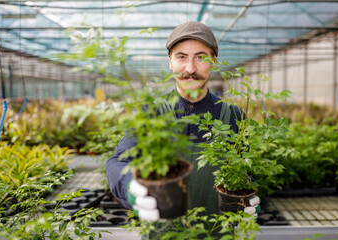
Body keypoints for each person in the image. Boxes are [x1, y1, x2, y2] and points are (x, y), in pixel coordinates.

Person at [105, 21, 260, 222]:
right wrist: (130, 187)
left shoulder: (233, 116)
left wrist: (249, 196)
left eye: (201, 57)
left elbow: (247, 172)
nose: (190, 68)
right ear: (170, 62)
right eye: (181, 57)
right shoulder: (151, 113)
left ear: (214, 61)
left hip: (218, 232)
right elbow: (118, 162)